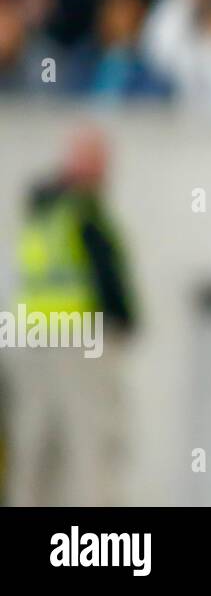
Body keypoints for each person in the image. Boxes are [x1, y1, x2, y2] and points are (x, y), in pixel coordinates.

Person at [6, 123, 137, 505]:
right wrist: (125, 320)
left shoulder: (42, 211)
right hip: (80, 337)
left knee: (36, 443)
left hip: (31, 337)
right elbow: (107, 279)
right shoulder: (82, 212)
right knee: (90, 443)